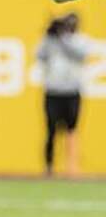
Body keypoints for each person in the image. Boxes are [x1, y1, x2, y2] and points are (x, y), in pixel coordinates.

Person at [36, 14, 88, 177]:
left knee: (72, 129)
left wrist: (62, 38)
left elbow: (79, 54)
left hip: (72, 91)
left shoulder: (79, 40)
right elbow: (39, 55)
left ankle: (72, 167)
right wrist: (49, 35)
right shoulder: (50, 41)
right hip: (53, 91)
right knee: (50, 130)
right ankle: (49, 167)